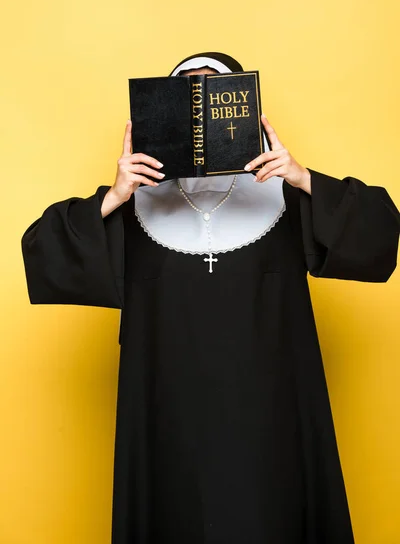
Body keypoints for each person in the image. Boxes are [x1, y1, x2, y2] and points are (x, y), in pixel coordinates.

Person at [22, 52, 399, 544]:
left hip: (272, 420)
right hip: (167, 419)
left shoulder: (285, 198)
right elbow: (44, 253)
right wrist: (113, 195)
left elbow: (379, 234)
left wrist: (303, 176)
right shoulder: (134, 207)